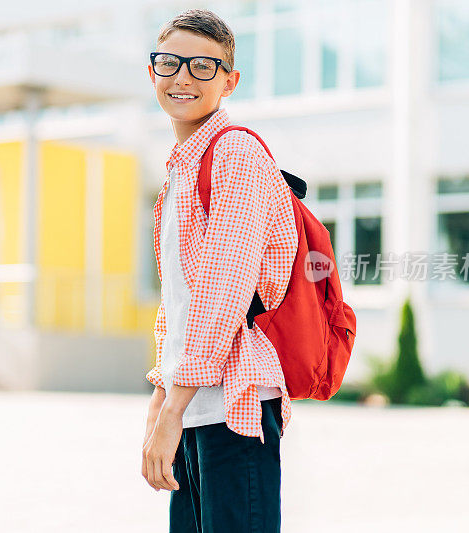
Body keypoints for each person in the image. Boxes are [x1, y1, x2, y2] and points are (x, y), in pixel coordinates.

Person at [140, 9, 299, 533]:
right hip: (192, 408)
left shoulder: (235, 153)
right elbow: (179, 305)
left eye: (202, 67)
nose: (183, 77)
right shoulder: (180, 169)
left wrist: (169, 412)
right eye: (170, 63)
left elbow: (222, 298)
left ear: (230, 81)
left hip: (234, 406)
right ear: (152, 72)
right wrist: (163, 399)